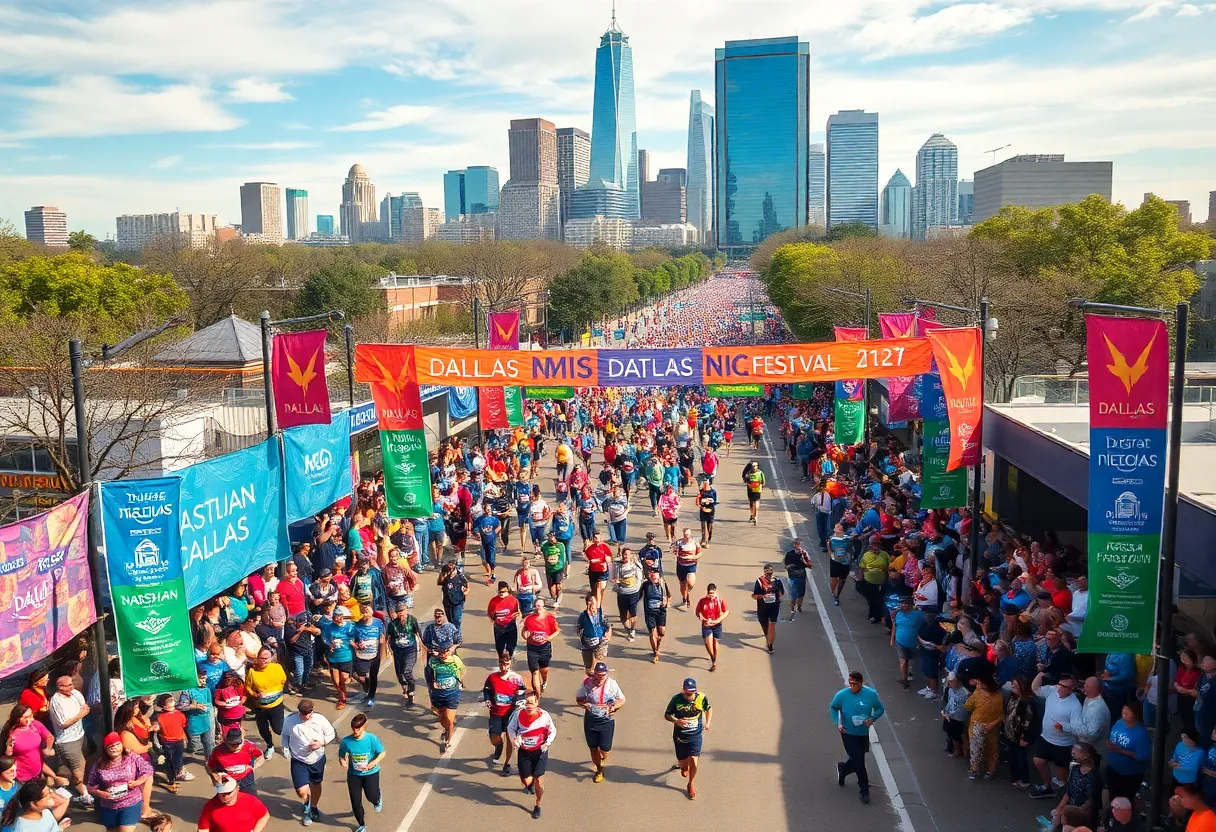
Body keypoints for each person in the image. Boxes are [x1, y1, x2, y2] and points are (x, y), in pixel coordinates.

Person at [830, 670, 885, 805]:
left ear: (861, 683)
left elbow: (880, 709)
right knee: (859, 763)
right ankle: (864, 790)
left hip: (862, 733)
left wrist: (872, 719)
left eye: (855, 684)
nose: (852, 686)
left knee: (858, 758)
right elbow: (833, 707)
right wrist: (838, 723)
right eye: (850, 683)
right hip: (848, 733)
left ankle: (843, 768)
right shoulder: (842, 695)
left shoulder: (870, 694)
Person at [282, 699, 336, 827]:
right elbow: (284, 735)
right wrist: (285, 747)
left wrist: (321, 743)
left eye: (309, 713)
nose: (307, 717)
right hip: (298, 760)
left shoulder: (320, 719)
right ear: (299, 712)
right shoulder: (290, 721)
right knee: (301, 791)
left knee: (316, 784)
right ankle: (306, 804)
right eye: (304, 714)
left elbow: (331, 734)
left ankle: (313, 807)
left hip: (317, 759)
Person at [1031, 672, 1084, 799]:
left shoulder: (1075, 705)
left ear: (1071, 689)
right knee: (1038, 761)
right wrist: (1040, 674)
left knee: (1062, 770)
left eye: (1065, 687)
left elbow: (1078, 727)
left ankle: (1068, 794)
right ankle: (1047, 785)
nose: (1060, 688)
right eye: (1060, 684)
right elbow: (1035, 689)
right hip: (1046, 737)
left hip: (1063, 743)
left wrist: (1063, 727)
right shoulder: (1051, 691)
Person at [85, 731, 152, 832]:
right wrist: (101, 793)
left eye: (117, 745)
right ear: (105, 749)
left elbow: (148, 770)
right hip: (109, 806)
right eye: (111, 746)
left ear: (122, 745)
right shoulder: (99, 765)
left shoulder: (131, 758)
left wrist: (137, 782)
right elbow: (90, 787)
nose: (114, 748)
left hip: (131, 802)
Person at [506, 691, 556, 820]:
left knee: (539, 780)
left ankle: (537, 805)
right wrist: (514, 740)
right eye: (527, 703)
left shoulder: (544, 716)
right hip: (524, 752)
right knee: (526, 780)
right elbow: (511, 729)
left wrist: (547, 743)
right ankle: (530, 783)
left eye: (531, 703)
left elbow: (552, 730)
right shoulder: (518, 715)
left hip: (540, 752)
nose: (529, 705)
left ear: (537, 703)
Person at [575, 662, 625, 783]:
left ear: (606, 675)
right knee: (593, 747)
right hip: (591, 720)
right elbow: (579, 699)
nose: (599, 678)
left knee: (605, 748)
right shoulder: (587, 683)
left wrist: (613, 708)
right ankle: (599, 769)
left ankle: (602, 756)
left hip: (606, 720)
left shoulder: (612, 685)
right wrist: (586, 705)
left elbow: (622, 699)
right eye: (597, 675)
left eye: (602, 676)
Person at [665, 678, 711, 801]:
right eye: (688, 692)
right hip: (680, 737)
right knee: (683, 762)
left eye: (692, 692)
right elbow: (667, 714)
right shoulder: (676, 699)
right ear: (684, 690)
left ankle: (690, 784)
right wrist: (676, 721)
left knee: (694, 760)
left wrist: (708, 722)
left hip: (696, 736)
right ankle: (684, 767)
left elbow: (708, 709)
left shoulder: (701, 697)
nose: (690, 694)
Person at [48, 675, 91, 806]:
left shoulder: (75, 693)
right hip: (67, 741)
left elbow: (85, 706)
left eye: (72, 684)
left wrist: (81, 713)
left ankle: (75, 789)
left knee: (80, 766)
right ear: (60, 687)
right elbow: (63, 723)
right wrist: (81, 715)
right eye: (69, 685)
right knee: (78, 770)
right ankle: (83, 795)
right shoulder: (56, 701)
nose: (72, 687)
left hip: (80, 735)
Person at [482, 653, 526, 777]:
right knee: (494, 737)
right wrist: (487, 699)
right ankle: (498, 745)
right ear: (499, 663)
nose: (504, 667)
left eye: (507, 664)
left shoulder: (517, 678)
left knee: (510, 738)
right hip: (496, 712)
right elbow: (486, 690)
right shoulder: (492, 677)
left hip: (510, 713)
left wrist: (519, 704)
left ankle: (506, 764)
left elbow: (522, 692)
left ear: (511, 664)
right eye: (502, 664)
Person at [338, 714, 384, 832]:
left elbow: (382, 753)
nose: (355, 731)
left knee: (371, 796)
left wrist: (373, 763)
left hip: (371, 773)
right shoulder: (346, 741)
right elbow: (342, 755)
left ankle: (377, 798)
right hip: (354, 775)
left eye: (358, 729)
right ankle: (362, 824)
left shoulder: (371, 739)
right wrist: (343, 762)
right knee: (355, 801)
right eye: (353, 728)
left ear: (364, 727)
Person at [1105, 702, 1151, 818]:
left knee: (1126, 800)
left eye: (1127, 713)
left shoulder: (1140, 734)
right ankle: (1113, 817)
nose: (1123, 714)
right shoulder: (1119, 723)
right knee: (1113, 795)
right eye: (1123, 712)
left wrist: (1119, 750)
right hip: (1113, 767)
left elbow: (1142, 756)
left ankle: (1126, 820)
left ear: (1135, 715)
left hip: (1129, 774)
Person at [244, 648, 287, 753]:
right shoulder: (252, 671)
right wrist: (254, 693)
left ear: (271, 658)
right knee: (263, 730)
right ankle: (270, 746)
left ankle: (286, 743)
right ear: (257, 658)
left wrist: (274, 691)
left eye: (267, 658)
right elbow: (248, 686)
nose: (264, 661)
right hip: (260, 707)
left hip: (276, 705)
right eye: (262, 658)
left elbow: (283, 679)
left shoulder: (277, 667)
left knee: (278, 729)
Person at [1, 704, 55, 788]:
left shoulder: (35, 725)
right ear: (17, 719)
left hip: (38, 770)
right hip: (22, 775)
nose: (31, 719)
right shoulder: (11, 733)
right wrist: (9, 744)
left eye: (31, 715)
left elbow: (49, 737)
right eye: (26, 717)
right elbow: (8, 754)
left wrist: (48, 749)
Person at [1052, 743, 1102, 830]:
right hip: (1071, 810)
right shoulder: (1075, 770)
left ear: (1085, 756)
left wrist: (1074, 817)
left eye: (1075, 753)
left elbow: (1090, 803)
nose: (1073, 754)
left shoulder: (1093, 777)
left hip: (1083, 816)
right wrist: (1059, 808)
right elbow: (1069, 791)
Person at [426, 647, 466, 755]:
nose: (444, 655)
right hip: (438, 694)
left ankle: (447, 741)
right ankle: (447, 729)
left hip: (452, 693)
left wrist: (458, 681)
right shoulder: (433, 661)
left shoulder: (455, 660)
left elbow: (463, 670)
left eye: (446, 652)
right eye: (442, 652)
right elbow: (428, 675)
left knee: (449, 719)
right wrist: (432, 684)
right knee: (443, 719)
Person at [965, 675, 1004, 780]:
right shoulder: (998, 696)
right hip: (989, 727)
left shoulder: (979, 694)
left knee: (977, 748)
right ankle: (988, 770)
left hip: (980, 726)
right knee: (990, 749)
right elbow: (1001, 715)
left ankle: (976, 769)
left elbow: (967, 707)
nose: (980, 685)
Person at [197, 776, 270, 832]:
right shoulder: (210, 807)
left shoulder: (250, 800)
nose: (226, 797)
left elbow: (264, 816)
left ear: (237, 789)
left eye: (229, 793)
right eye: (222, 794)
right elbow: (203, 829)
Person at [206, 727, 263, 796]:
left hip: (246, 779)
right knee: (227, 801)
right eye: (232, 745)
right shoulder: (217, 752)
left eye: (238, 744)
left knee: (250, 799)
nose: (235, 747)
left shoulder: (249, 746)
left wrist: (254, 766)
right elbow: (209, 767)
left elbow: (260, 756)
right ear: (226, 742)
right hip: (227, 780)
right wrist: (214, 775)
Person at [0, 779, 70, 832]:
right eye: (46, 795)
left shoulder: (47, 813)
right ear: (33, 804)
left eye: (50, 792)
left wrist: (60, 828)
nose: (51, 796)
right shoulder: (19, 828)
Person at [350, 604, 386, 708]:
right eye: (363, 613)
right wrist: (357, 646)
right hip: (361, 655)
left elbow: (382, 638)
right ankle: (366, 686)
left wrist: (382, 654)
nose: (365, 615)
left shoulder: (378, 623)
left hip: (375, 655)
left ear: (371, 613)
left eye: (367, 612)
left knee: (373, 676)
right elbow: (352, 640)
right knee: (362, 676)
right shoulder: (357, 625)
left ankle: (371, 696)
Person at [521, 601, 560, 695]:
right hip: (532, 648)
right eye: (536, 605)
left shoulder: (549, 618)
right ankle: (537, 696)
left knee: (544, 671)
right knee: (534, 672)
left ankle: (544, 681)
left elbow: (557, 630)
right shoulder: (529, 618)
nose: (538, 607)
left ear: (543, 606)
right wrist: (524, 635)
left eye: (539, 605)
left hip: (544, 648)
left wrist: (549, 638)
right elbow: (524, 630)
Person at [387, 602, 422, 705]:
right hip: (397, 651)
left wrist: (422, 648)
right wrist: (388, 650)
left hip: (410, 650)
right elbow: (388, 638)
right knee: (400, 675)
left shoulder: (412, 620)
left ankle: (411, 690)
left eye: (402, 611)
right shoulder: (392, 624)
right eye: (398, 612)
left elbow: (419, 634)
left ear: (406, 610)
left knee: (407, 670)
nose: (401, 614)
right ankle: (405, 687)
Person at [320, 607, 355, 710]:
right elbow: (324, 638)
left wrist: (355, 644)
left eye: (339, 617)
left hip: (346, 655)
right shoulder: (328, 627)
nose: (337, 619)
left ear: (342, 617)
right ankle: (342, 696)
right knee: (336, 681)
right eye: (335, 617)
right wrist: (329, 645)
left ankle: (343, 690)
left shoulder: (349, 626)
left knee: (344, 677)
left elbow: (354, 637)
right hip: (333, 656)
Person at [152, 694, 188, 794]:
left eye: (172, 700)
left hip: (179, 740)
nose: (172, 701)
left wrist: (184, 737)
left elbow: (183, 725)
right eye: (169, 701)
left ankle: (177, 773)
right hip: (167, 742)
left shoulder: (180, 714)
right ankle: (172, 779)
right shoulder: (159, 717)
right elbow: (156, 727)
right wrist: (155, 727)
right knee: (170, 761)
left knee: (178, 757)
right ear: (163, 706)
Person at [890, 597, 926, 691]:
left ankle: (908, 673)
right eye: (902, 603)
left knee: (912, 660)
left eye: (906, 603)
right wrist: (892, 639)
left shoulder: (918, 614)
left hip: (913, 643)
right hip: (900, 642)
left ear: (911, 605)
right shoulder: (898, 614)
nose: (904, 605)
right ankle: (905, 680)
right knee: (903, 661)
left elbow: (926, 619)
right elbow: (894, 626)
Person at [180, 670, 216, 762]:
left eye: (204, 678)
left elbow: (210, 702)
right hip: (195, 719)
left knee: (210, 742)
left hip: (208, 717)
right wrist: (194, 706)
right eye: (200, 678)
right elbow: (180, 706)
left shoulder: (207, 688)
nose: (203, 681)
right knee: (195, 743)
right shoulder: (187, 691)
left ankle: (210, 762)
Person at [695, 584, 729, 672]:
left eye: (713, 593)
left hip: (716, 624)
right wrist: (701, 617)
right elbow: (697, 612)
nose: (712, 595)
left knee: (715, 642)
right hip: (707, 624)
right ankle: (712, 657)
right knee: (708, 643)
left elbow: (726, 611)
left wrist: (718, 620)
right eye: (710, 593)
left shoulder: (720, 600)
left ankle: (714, 661)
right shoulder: (703, 601)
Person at [640, 568, 672, 663]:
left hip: (661, 611)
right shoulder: (646, 585)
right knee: (653, 631)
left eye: (656, 574)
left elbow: (669, 595)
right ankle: (655, 653)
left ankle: (657, 645)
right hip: (650, 612)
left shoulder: (663, 583)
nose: (654, 576)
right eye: (652, 574)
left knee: (661, 633)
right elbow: (638, 594)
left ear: (659, 576)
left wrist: (667, 603)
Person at [612, 547, 644, 642]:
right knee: (623, 617)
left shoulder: (635, 565)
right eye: (625, 554)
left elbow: (640, 577)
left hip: (633, 592)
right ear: (623, 555)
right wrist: (616, 582)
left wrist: (637, 587)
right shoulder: (618, 566)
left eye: (628, 554)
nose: (627, 556)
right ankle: (627, 628)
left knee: (633, 613)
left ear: (631, 555)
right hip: (622, 593)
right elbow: (615, 578)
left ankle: (632, 630)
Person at [576, 594, 612, 675]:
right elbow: (579, 628)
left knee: (598, 663)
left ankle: (596, 674)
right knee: (588, 668)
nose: (591, 604)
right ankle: (591, 671)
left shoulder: (601, 615)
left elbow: (607, 626)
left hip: (600, 641)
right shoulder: (583, 616)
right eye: (589, 602)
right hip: (587, 641)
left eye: (593, 602)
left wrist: (607, 636)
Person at [751, 564, 784, 654]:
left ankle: (770, 645)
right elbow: (754, 596)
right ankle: (767, 636)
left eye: (771, 572)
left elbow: (781, 592)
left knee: (772, 625)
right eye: (767, 572)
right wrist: (763, 596)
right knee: (764, 626)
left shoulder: (777, 581)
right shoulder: (759, 581)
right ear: (764, 572)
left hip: (774, 606)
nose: (769, 574)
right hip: (763, 607)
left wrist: (780, 597)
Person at [783, 539, 813, 620]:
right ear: (794, 545)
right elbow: (786, 565)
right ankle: (792, 608)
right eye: (798, 545)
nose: (799, 547)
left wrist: (804, 560)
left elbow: (810, 565)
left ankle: (799, 607)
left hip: (801, 576)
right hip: (792, 577)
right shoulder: (789, 554)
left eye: (800, 545)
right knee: (793, 595)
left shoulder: (804, 554)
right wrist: (789, 566)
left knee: (801, 594)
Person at [673, 527, 701, 608]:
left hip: (691, 566)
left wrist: (692, 557)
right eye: (685, 535)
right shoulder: (679, 543)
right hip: (681, 566)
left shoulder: (695, 543)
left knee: (691, 583)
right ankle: (684, 598)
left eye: (688, 534)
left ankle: (687, 592)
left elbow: (699, 553)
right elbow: (674, 551)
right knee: (682, 584)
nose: (687, 536)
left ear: (690, 534)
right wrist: (679, 555)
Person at [539, 531, 568, 609]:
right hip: (549, 569)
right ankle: (554, 598)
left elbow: (564, 558)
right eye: (549, 538)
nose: (551, 539)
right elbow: (543, 553)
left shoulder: (560, 546)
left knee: (558, 586)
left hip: (559, 568)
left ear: (555, 538)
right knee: (551, 588)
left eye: (552, 538)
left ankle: (557, 600)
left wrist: (565, 571)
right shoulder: (545, 546)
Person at [437, 561, 469, 631]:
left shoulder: (460, 576)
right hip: (447, 602)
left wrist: (466, 593)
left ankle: (457, 638)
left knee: (456, 621)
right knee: (450, 621)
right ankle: (452, 635)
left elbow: (467, 586)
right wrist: (442, 575)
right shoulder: (444, 573)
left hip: (458, 602)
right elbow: (439, 582)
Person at [583, 532, 612, 607]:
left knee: (600, 589)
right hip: (593, 571)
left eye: (598, 538)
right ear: (593, 539)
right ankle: (595, 606)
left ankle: (599, 608)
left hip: (603, 572)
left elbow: (610, 559)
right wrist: (590, 561)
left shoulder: (605, 547)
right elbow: (587, 558)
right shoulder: (589, 549)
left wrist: (606, 560)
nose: (597, 540)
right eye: (595, 538)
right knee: (594, 592)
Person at [827, 523, 852, 606]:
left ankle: (837, 596)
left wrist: (848, 561)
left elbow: (850, 550)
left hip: (845, 562)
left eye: (840, 528)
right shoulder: (831, 539)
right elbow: (829, 549)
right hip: (835, 561)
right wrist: (832, 557)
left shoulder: (848, 539)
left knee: (842, 580)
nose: (838, 529)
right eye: (837, 527)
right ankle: (833, 592)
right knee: (833, 581)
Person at [695, 478, 717, 547]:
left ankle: (708, 537)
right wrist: (701, 507)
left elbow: (715, 501)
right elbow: (697, 501)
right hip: (703, 510)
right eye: (704, 484)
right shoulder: (701, 492)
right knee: (703, 526)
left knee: (709, 525)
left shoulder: (713, 492)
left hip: (710, 511)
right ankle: (704, 540)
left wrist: (710, 504)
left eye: (706, 484)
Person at [742, 461, 765, 525]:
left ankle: (753, 515)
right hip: (757, 488)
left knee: (752, 501)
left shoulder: (749, 472)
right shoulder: (760, 472)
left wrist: (748, 483)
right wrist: (761, 486)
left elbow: (745, 477)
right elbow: (763, 481)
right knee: (755, 501)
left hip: (751, 488)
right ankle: (755, 516)